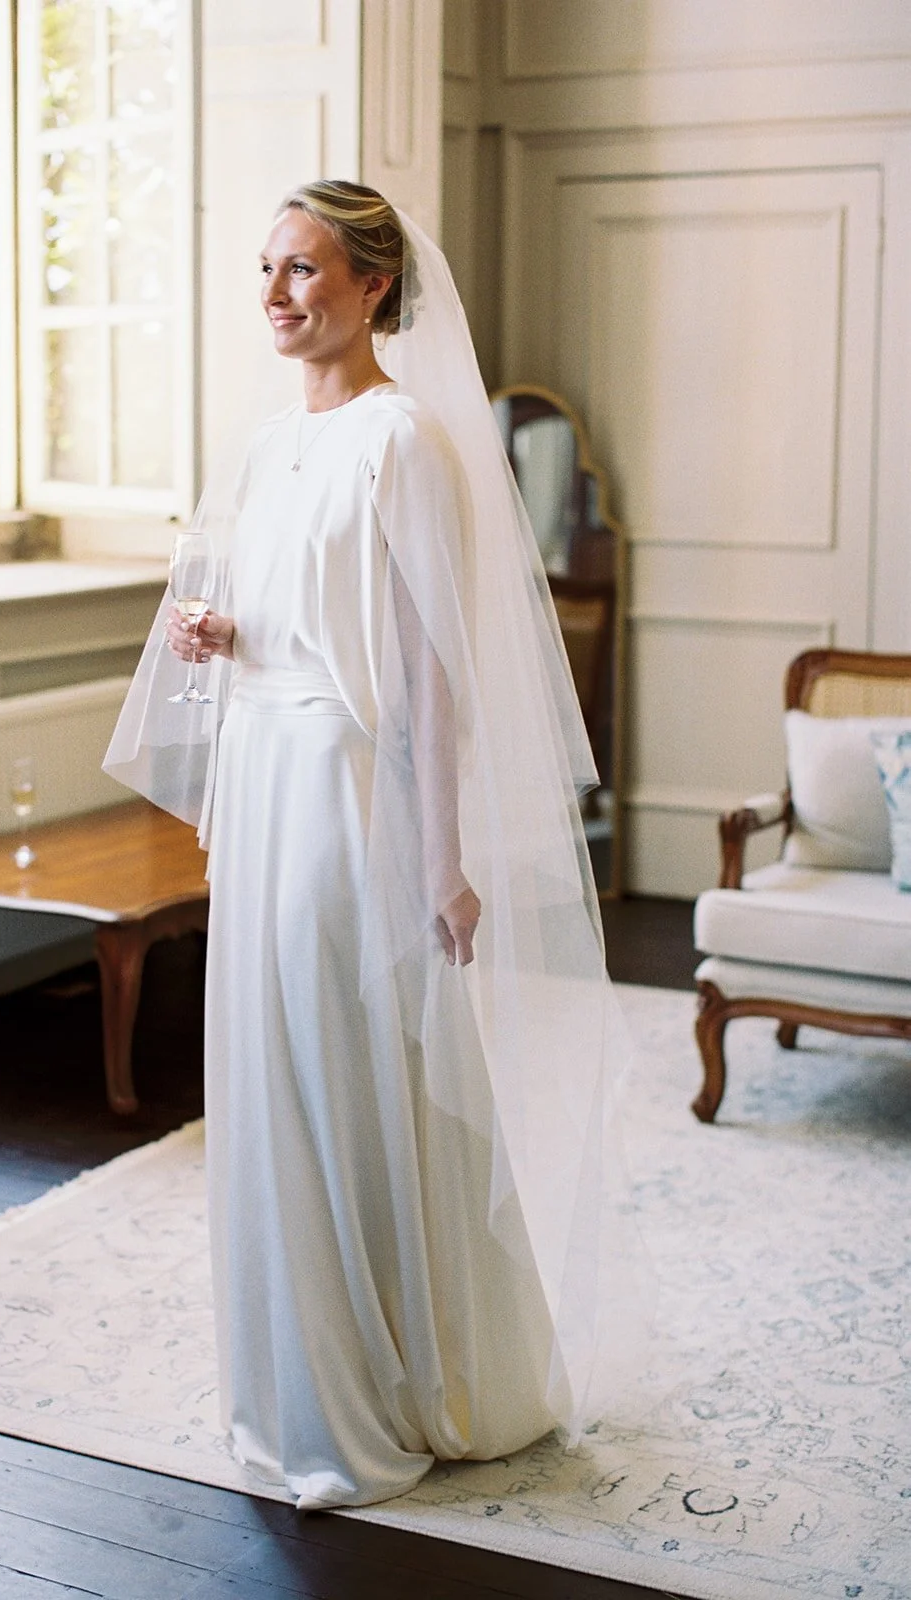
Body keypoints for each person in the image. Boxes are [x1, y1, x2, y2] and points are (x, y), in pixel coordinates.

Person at [105, 180, 650, 1511]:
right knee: (276, 1069)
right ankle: (299, 1381)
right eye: (266, 270)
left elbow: (423, 669)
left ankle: (408, 1380)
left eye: (304, 270)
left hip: (347, 794)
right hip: (269, 775)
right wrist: (223, 636)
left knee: (344, 1068)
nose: (278, 294)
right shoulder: (267, 442)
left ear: (373, 290)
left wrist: (440, 858)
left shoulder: (400, 441)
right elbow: (297, 617)